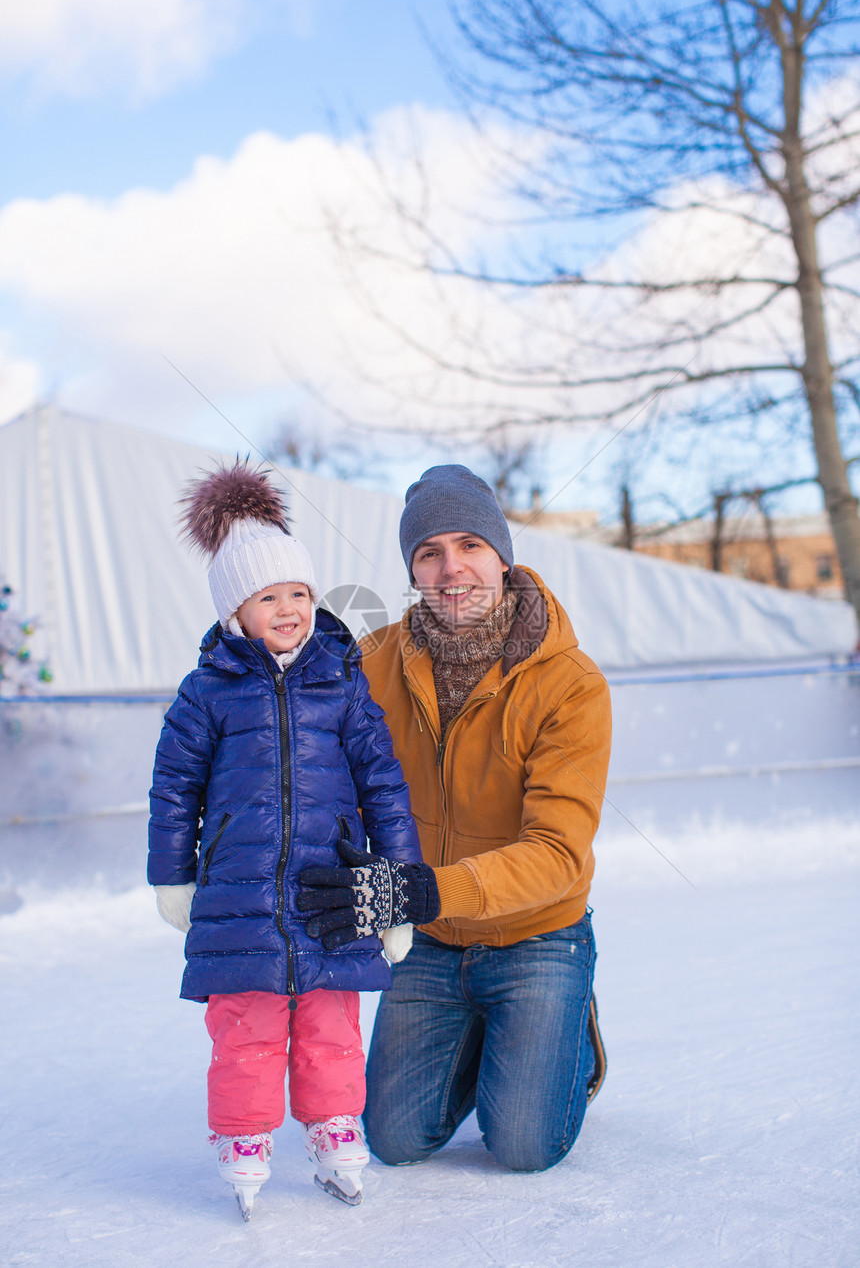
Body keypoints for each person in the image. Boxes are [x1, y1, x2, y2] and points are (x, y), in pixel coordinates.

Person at [298, 464, 612, 1174]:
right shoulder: (370, 666)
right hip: (430, 940)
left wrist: (423, 889)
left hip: (538, 933)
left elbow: (559, 852)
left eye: (470, 544)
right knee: (395, 1140)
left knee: (523, 1145)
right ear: (412, 569)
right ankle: (487, 1035)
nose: (452, 568)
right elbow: (307, 762)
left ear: (502, 555)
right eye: (428, 552)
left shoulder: (571, 683)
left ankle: (566, 1032)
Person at [147, 461, 436, 1217]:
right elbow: (174, 789)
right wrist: (171, 875)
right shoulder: (204, 692)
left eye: (300, 594)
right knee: (246, 1027)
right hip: (238, 899)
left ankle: (336, 1125)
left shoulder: (343, 686)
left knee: (332, 1024)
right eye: (269, 596)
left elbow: (385, 791)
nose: (289, 608)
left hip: (331, 894)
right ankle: (244, 1139)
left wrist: (399, 892)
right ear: (235, 611)